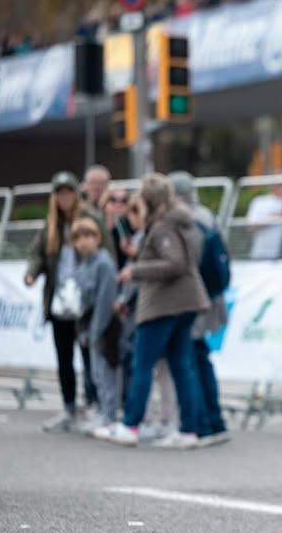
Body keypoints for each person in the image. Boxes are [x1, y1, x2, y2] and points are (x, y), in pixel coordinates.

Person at [93, 174, 210, 449]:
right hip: (186, 301)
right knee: (182, 365)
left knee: (143, 363)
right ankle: (189, 430)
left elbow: (174, 262)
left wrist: (135, 270)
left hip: (164, 304)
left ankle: (131, 425)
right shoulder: (178, 223)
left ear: (150, 200)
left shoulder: (163, 226)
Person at [25, 171, 107, 433]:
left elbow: (107, 252)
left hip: (85, 301)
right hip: (60, 300)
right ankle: (69, 407)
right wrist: (32, 271)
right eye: (59, 193)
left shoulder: (89, 220)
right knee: (64, 357)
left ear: (76, 193)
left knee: (89, 355)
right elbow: (38, 252)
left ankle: (94, 405)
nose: (64, 198)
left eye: (68, 192)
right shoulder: (52, 225)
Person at [171, 171, 230, 446]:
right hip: (210, 295)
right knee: (200, 357)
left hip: (194, 297)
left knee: (192, 359)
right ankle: (214, 420)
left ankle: (205, 423)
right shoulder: (205, 215)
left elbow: (187, 261)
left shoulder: (187, 220)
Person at [70, 217, 120, 434]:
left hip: (104, 326)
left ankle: (110, 414)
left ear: (98, 239)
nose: (84, 242)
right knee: (95, 372)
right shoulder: (83, 265)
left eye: (89, 236)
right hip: (88, 325)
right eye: (79, 237)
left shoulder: (104, 264)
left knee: (106, 371)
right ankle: (102, 411)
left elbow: (104, 299)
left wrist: (97, 329)